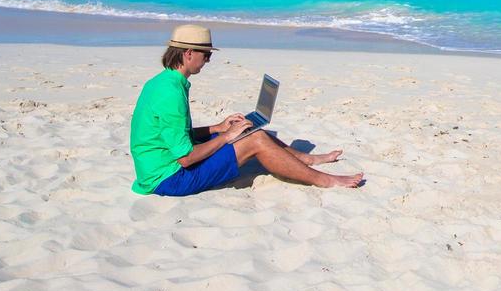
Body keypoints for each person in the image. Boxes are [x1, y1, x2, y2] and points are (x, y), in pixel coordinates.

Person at [129, 24, 363, 196]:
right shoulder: (171, 93)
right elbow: (186, 158)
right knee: (255, 139)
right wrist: (226, 138)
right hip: (168, 178)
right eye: (206, 55)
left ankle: (307, 159)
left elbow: (176, 133)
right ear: (188, 53)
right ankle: (325, 181)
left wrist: (219, 128)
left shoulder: (163, 82)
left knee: (246, 129)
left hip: (157, 166)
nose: (208, 60)